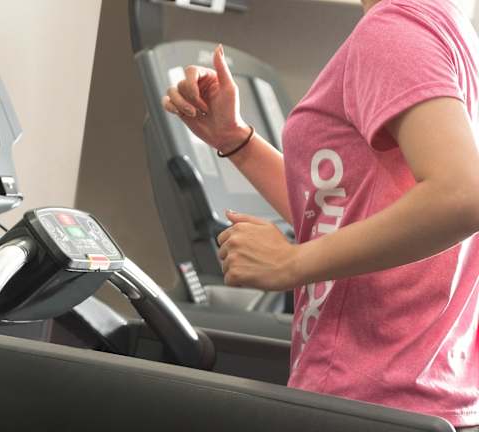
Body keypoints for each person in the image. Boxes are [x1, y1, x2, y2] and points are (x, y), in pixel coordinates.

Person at [163, 0, 479, 429]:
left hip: (369, 394)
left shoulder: (395, 30)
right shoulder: (442, 24)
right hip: (417, 393)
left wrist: (291, 262)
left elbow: (461, 196)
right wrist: (235, 140)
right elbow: (342, 205)